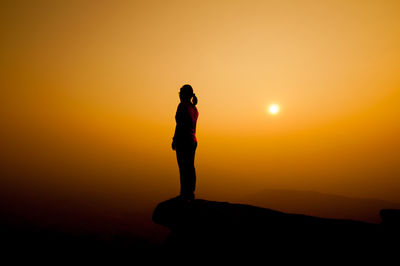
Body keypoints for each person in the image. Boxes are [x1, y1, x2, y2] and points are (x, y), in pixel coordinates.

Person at [172, 84, 199, 201]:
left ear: (184, 94)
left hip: (183, 141)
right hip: (192, 141)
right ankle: (190, 192)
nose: (179, 94)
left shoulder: (182, 106)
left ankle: (184, 194)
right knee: (190, 167)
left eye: (181, 92)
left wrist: (175, 140)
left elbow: (180, 125)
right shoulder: (194, 109)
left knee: (183, 168)